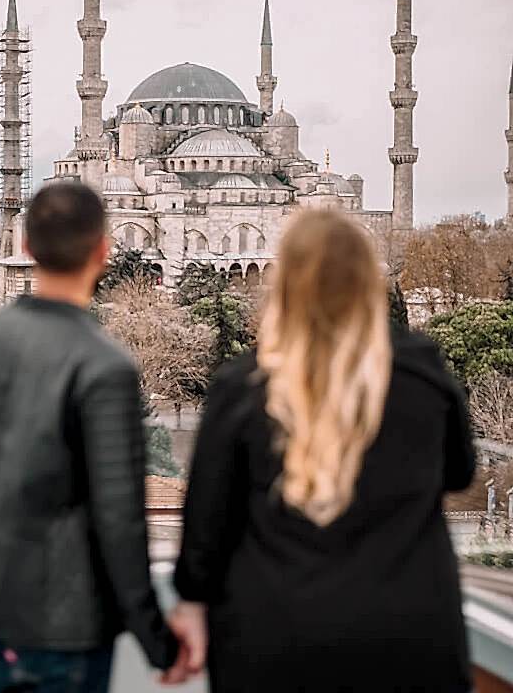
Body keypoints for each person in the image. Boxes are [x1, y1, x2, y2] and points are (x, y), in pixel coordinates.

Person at [171, 209, 475, 693]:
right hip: (408, 641)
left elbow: (206, 523)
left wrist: (191, 603)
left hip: (274, 640)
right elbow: (459, 471)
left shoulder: (243, 386)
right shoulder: (422, 375)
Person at [0, 183, 193, 692]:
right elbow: (119, 518)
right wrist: (157, 642)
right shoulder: (104, 364)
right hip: (68, 627)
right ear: (102, 251)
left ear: (25, 247)